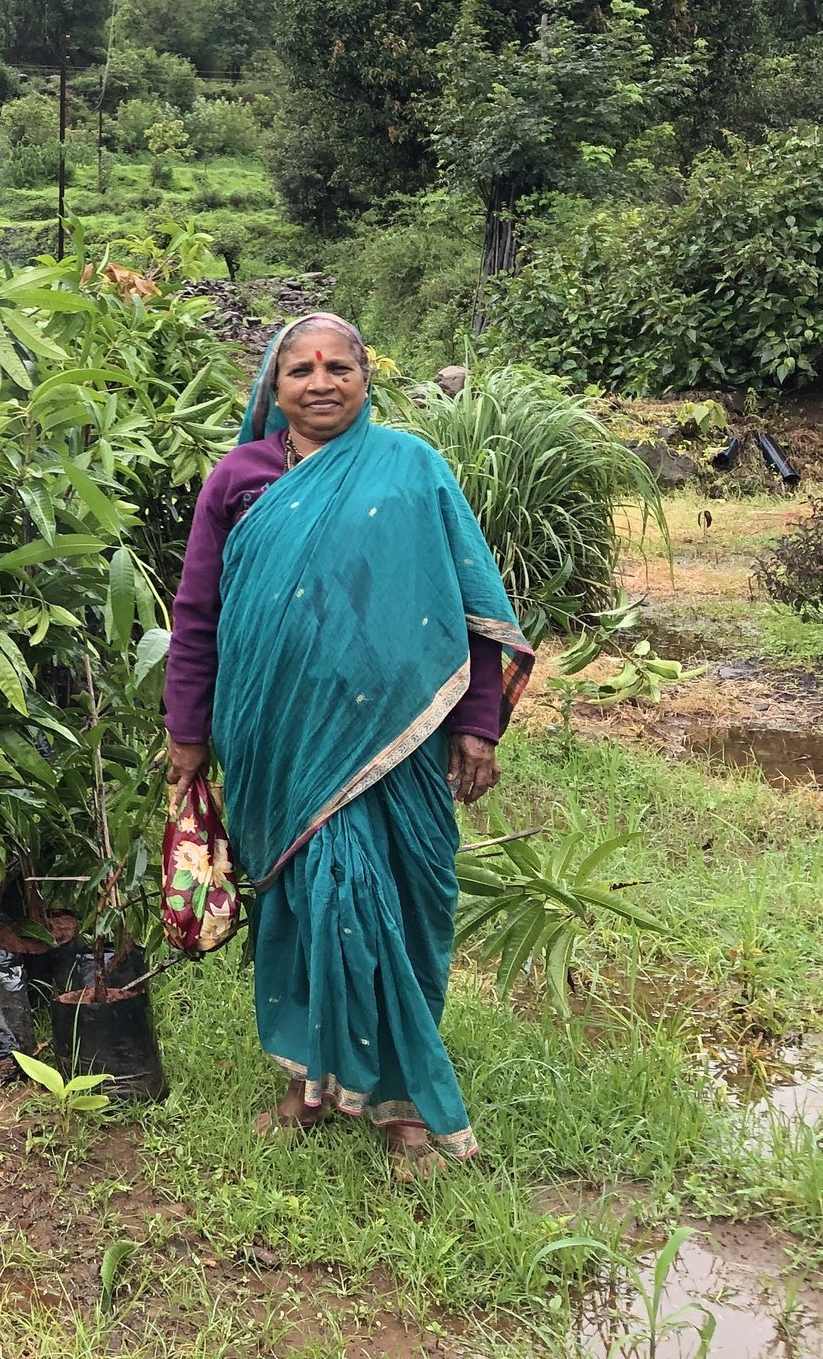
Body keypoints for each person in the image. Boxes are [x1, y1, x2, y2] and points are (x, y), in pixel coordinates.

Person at [163, 314, 532, 1180]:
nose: (319, 382)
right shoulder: (238, 480)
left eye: (338, 367)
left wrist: (478, 723)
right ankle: (307, 1084)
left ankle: (402, 1107)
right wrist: (186, 732)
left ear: (366, 377)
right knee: (299, 908)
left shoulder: (410, 470)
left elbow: (474, 609)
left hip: (393, 745)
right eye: (300, 370)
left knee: (395, 909)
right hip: (274, 740)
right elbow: (198, 616)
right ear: (273, 386)